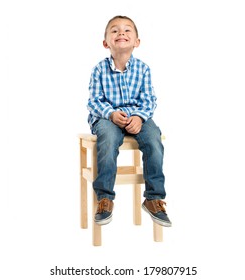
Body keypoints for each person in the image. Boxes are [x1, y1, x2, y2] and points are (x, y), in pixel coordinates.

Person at [87, 15, 172, 227]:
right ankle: (105, 198)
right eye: (114, 31)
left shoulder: (143, 69)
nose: (121, 33)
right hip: (107, 119)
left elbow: (149, 100)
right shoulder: (99, 69)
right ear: (106, 42)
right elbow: (94, 101)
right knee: (107, 140)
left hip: (137, 118)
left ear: (137, 42)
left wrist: (139, 117)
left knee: (154, 139)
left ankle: (154, 198)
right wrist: (111, 114)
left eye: (127, 31)